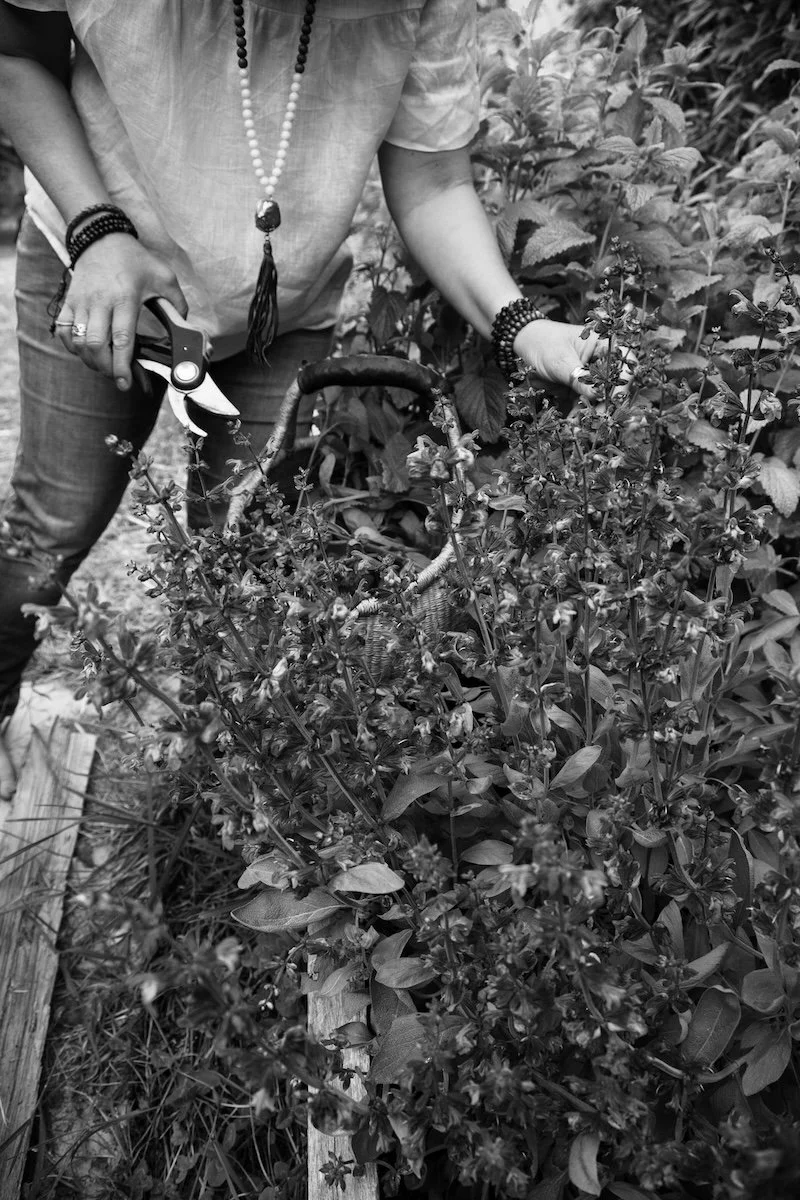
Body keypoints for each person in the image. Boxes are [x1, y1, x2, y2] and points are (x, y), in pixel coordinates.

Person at [0, 0, 607, 800]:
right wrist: (96, 229)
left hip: (276, 318)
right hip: (105, 276)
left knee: (245, 572)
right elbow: (16, 49)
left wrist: (523, 327)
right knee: (52, 529)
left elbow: (430, 178)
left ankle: (215, 804)